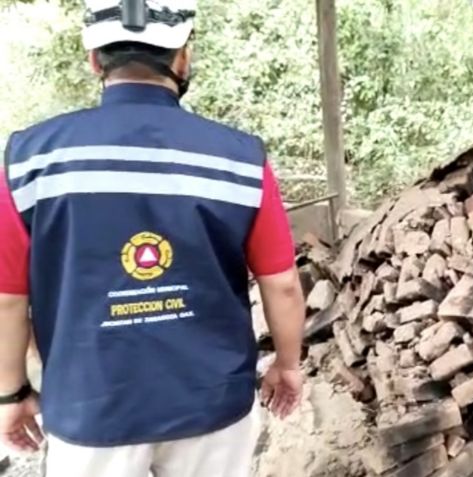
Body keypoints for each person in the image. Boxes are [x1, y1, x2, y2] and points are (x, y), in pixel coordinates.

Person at [0, 0, 306, 475]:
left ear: (94, 60)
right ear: (183, 58)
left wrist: (12, 392)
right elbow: (282, 283)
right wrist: (288, 365)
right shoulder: (241, 158)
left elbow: (7, 299)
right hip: (212, 405)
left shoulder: (28, 159)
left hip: (90, 409)